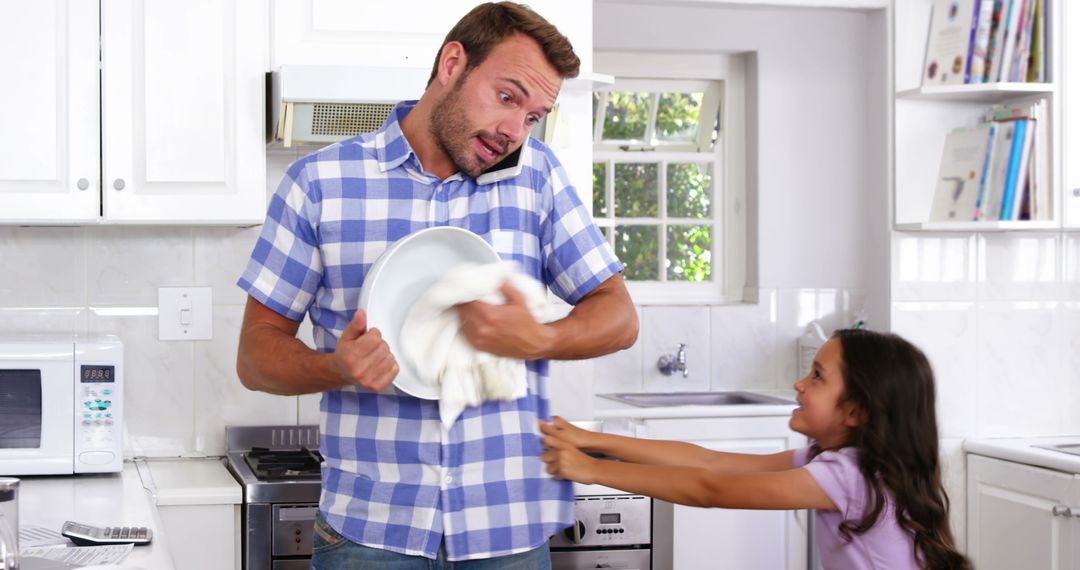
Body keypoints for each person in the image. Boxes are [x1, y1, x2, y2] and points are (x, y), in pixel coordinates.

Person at [235, 2, 637, 568]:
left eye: (532, 116)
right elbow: (254, 357)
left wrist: (538, 340)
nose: (513, 132)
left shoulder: (537, 177)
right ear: (453, 63)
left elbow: (620, 317)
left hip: (509, 532)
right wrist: (336, 369)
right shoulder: (320, 183)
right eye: (507, 97)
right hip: (370, 534)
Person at [540, 329, 973, 570]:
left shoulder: (847, 476)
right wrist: (590, 439)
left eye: (817, 376)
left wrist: (592, 470)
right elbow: (708, 461)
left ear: (856, 411)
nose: (799, 384)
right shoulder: (839, 462)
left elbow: (709, 488)